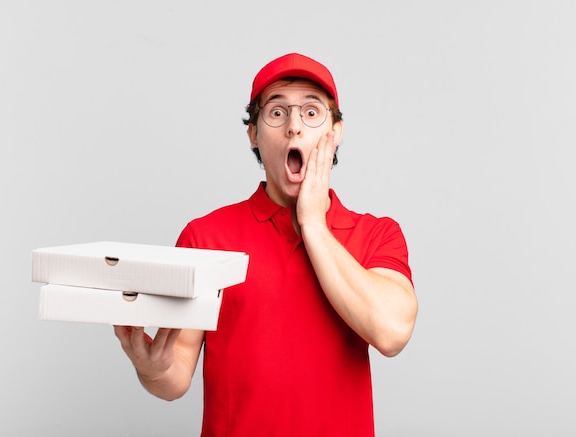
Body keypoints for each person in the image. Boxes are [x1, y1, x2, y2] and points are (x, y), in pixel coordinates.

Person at [114, 52, 418, 436]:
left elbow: (391, 333)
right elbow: (175, 373)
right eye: (276, 113)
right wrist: (153, 369)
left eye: (311, 112)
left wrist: (312, 223)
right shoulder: (204, 237)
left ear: (335, 132)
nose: (294, 127)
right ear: (254, 134)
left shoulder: (377, 234)